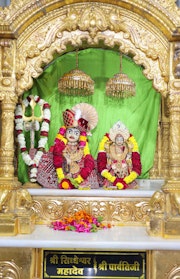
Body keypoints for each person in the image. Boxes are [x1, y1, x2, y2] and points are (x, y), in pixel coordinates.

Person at [53, 103, 99, 189]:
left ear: (80, 136)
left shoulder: (82, 148)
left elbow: (87, 161)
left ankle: (76, 181)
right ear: (65, 132)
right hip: (63, 174)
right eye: (70, 131)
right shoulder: (62, 145)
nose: (72, 135)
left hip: (79, 175)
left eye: (76, 133)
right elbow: (57, 157)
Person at [97, 121, 141, 189]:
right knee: (113, 168)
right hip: (114, 163)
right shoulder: (111, 147)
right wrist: (109, 157)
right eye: (118, 139)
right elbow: (109, 157)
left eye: (121, 139)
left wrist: (128, 157)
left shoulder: (126, 147)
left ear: (124, 140)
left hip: (123, 163)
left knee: (125, 167)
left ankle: (125, 181)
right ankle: (113, 181)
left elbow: (128, 157)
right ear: (114, 140)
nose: (119, 141)